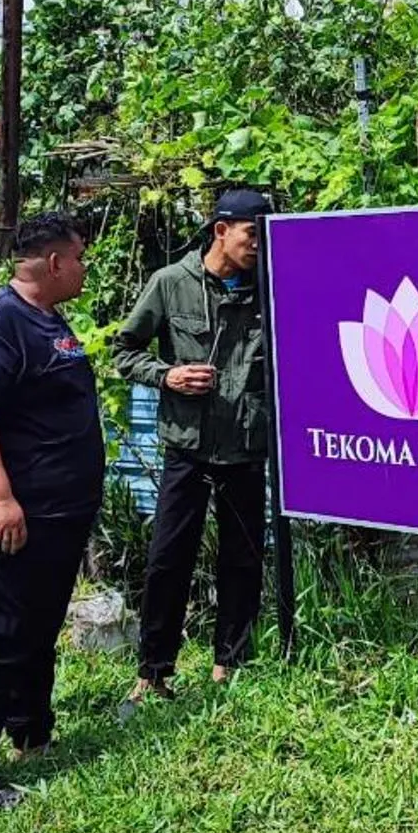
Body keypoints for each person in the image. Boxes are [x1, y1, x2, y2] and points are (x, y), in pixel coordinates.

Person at [0, 214, 104, 811]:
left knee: (37, 628)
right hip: (7, 516)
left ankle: (31, 733)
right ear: (54, 263)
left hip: (56, 515)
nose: (85, 268)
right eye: (79, 257)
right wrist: (2, 499)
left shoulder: (47, 318)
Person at [114, 187, 272, 709]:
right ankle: (154, 671)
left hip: (245, 445)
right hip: (187, 447)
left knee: (243, 559)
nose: (259, 245)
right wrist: (168, 375)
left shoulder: (268, 287)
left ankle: (231, 665)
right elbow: (125, 351)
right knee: (168, 559)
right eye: (252, 234)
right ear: (221, 230)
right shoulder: (170, 283)